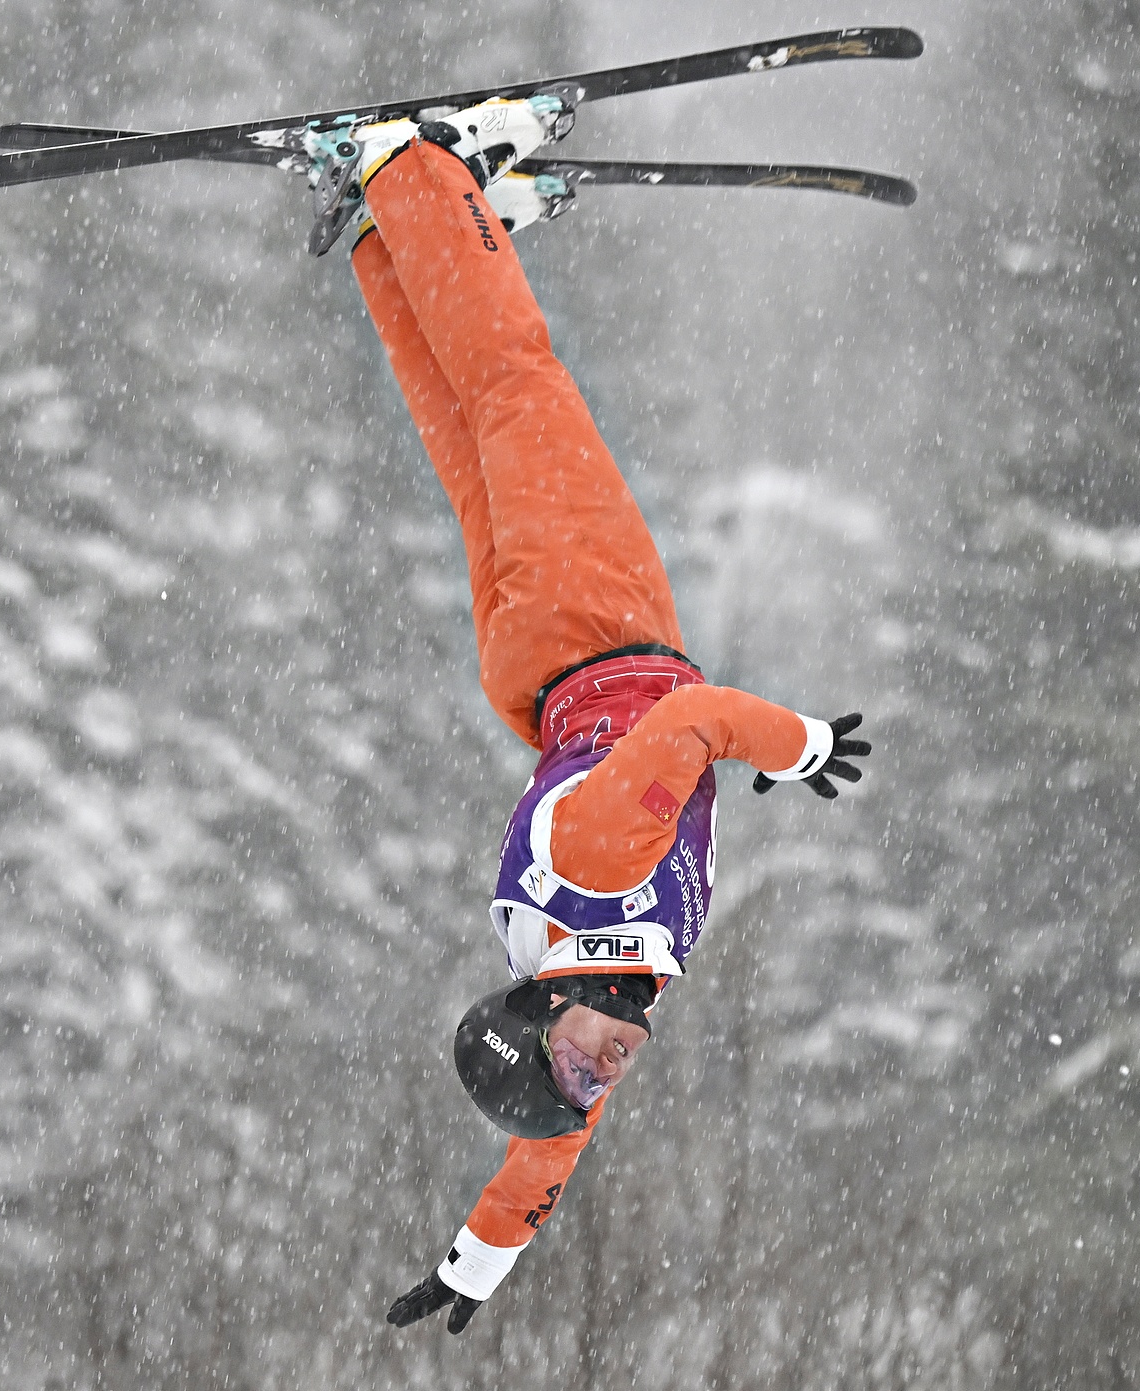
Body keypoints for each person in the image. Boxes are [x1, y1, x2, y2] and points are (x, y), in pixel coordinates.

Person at [310, 96, 871, 1334]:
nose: (598, 1073)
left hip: (592, 620)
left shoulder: (603, 882)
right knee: (467, 437)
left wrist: (802, 747)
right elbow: (544, 1153)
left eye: (574, 1063)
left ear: (534, 1014)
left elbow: (698, 724)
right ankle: (383, 240)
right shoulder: (587, 981)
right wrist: (473, 1261)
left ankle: (411, 169)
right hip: (535, 669)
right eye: (585, 1080)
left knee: (515, 386)